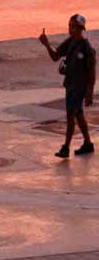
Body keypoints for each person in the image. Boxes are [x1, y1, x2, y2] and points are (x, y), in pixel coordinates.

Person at [40, 14, 96, 158]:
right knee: (78, 114)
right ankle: (88, 144)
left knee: (71, 116)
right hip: (70, 85)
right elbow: (55, 56)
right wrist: (46, 44)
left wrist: (89, 92)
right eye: (69, 26)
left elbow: (92, 72)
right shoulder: (70, 42)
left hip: (79, 88)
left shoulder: (87, 48)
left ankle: (66, 147)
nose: (70, 29)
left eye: (72, 26)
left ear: (80, 28)